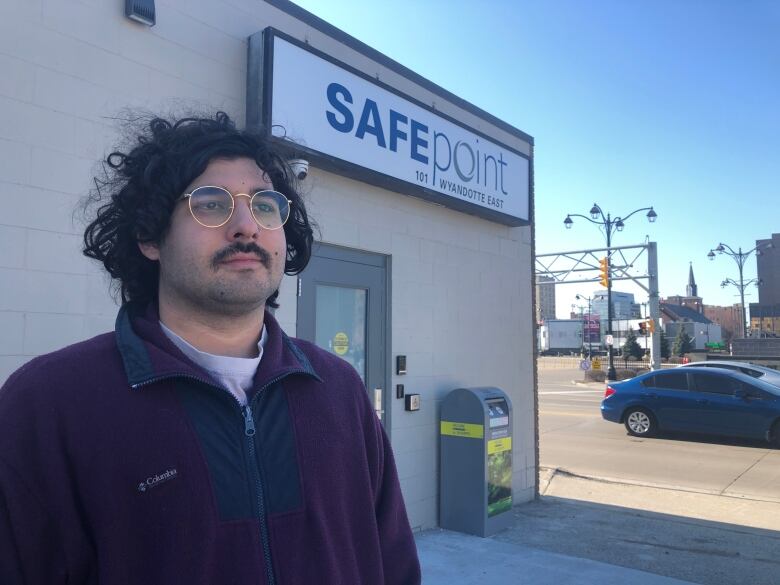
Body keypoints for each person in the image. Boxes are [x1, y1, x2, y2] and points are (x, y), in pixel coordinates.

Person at [0, 113, 421, 584]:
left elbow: (393, 562)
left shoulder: (339, 388)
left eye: (264, 206)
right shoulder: (49, 403)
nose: (246, 226)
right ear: (149, 235)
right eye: (211, 204)